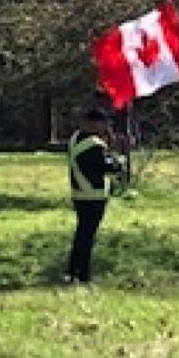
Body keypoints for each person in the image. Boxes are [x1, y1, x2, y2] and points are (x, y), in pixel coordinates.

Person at [65, 106, 122, 284]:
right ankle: (83, 274)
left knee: (81, 235)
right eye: (104, 124)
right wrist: (118, 160)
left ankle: (73, 269)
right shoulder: (94, 145)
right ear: (95, 124)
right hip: (93, 195)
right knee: (87, 237)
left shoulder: (75, 139)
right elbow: (106, 168)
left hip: (78, 193)